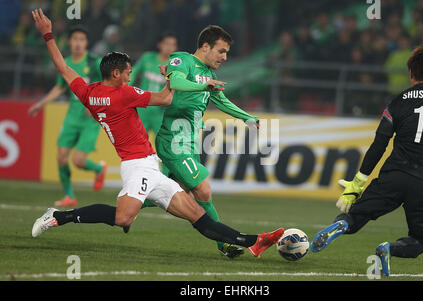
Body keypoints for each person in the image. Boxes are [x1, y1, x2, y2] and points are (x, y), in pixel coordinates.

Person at [30, 9, 284, 259]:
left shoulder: (88, 93)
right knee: (123, 217)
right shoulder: (125, 94)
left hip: (149, 164)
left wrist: (48, 36)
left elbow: (63, 68)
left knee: (196, 213)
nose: (132, 77)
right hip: (137, 166)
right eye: (129, 73)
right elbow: (164, 99)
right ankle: (58, 217)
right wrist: (169, 79)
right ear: (116, 74)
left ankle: (254, 241)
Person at [310, 44, 423, 276]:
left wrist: (358, 182)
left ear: (410, 73)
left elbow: (379, 144)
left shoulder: (398, 101)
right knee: (418, 240)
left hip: (393, 176)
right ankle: (389, 248)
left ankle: (342, 225)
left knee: (355, 217)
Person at [144, 25, 260, 259]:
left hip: (190, 144)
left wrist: (247, 117)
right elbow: (176, 83)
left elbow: (223, 101)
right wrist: (202, 85)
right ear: (205, 46)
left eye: (227, 52)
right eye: (221, 51)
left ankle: (120, 208)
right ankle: (224, 244)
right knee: (203, 191)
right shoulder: (181, 59)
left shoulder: (212, 76)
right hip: (174, 141)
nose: (225, 57)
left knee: (170, 194)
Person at [28, 26, 107, 207]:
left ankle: (98, 168)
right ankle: (69, 196)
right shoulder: (66, 63)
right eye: (75, 39)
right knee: (61, 157)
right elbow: (59, 87)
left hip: (90, 119)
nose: (78, 43)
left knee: (78, 161)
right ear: (70, 42)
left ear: (86, 43)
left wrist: (94, 103)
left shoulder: (95, 62)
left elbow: (106, 84)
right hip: (72, 116)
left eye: (82, 40)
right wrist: (40, 104)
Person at [129, 32, 178, 136]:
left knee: (163, 144)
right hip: (142, 108)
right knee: (137, 143)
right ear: (159, 45)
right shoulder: (147, 58)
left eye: (173, 44)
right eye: (167, 43)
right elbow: (132, 73)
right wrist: (125, 89)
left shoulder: (176, 66)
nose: (170, 47)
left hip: (161, 112)